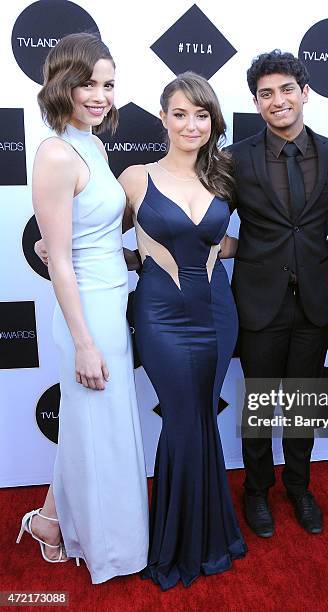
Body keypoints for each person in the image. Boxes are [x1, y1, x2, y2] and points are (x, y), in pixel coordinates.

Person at [21, 33, 149, 583]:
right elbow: (61, 264)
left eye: (109, 84)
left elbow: (85, 239)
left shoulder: (91, 144)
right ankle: (109, 549)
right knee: (97, 430)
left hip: (108, 303)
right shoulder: (54, 153)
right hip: (85, 316)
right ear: (62, 85)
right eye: (88, 83)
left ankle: (50, 520)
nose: (101, 95)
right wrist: (84, 343)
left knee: (91, 427)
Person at [118, 72, 246, 590]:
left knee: (202, 419)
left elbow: (221, 242)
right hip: (161, 316)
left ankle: (210, 533)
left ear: (212, 121)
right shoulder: (136, 177)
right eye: (180, 113)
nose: (191, 124)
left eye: (202, 115)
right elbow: (109, 242)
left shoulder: (222, 179)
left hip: (218, 312)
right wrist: (59, 251)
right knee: (181, 419)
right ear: (164, 118)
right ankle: (179, 541)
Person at [228, 50, 328, 537]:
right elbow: (204, 215)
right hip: (258, 302)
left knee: (301, 402)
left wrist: (318, 266)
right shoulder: (235, 157)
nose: (277, 101)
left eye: (285, 90)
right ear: (256, 103)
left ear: (305, 93)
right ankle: (256, 490)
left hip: (313, 303)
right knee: (258, 403)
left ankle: (299, 487)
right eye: (265, 94)